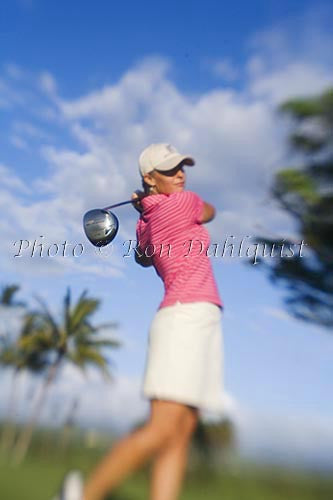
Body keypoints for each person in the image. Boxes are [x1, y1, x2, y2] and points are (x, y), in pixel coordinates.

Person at [56, 143, 224, 500]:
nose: (180, 174)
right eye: (169, 170)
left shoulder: (148, 222)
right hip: (185, 316)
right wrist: (150, 204)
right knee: (164, 430)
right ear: (149, 177)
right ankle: (81, 495)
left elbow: (144, 257)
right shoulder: (184, 202)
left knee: (178, 436)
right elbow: (210, 211)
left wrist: (145, 207)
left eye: (182, 167)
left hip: (199, 317)